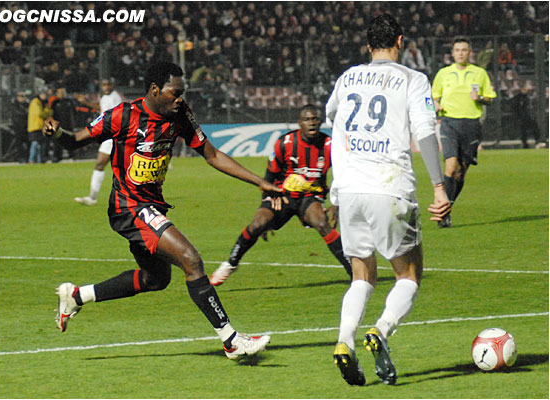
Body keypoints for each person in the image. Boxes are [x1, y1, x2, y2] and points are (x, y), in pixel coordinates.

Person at [42, 62, 284, 359]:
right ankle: (231, 341)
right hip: (129, 207)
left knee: (155, 279)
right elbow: (74, 141)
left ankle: (77, 296)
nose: (180, 98)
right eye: (175, 92)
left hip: (151, 206)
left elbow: (212, 154)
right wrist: (56, 134)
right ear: (155, 90)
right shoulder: (123, 115)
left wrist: (259, 181)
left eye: (182, 93)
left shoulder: (180, 114)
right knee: (191, 260)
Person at [325, 14, 450, 386]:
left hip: (349, 190)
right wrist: (439, 186)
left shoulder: (347, 77)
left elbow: (334, 118)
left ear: (368, 45)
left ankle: (344, 339)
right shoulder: (413, 79)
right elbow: (425, 133)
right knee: (409, 275)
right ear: (400, 41)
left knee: (361, 275)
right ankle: (380, 329)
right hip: (389, 185)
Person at [210, 104, 352, 286]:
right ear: (299, 122)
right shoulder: (285, 143)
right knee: (257, 225)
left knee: (321, 222)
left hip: (310, 196)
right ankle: (231, 263)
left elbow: (343, 174)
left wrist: (337, 203)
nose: (312, 123)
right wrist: (267, 204)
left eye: (315, 119)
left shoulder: (329, 146)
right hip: (282, 195)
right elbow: (269, 176)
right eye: (307, 119)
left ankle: (354, 274)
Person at [432, 37, 496, 227]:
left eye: (464, 50)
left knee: (461, 172)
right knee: (451, 167)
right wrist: (434, 104)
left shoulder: (479, 73)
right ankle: (443, 213)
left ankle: (447, 208)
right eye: (457, 50)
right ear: (452, 53)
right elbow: (431, 96)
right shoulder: (444, 74)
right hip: (449, 122)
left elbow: (491, 98)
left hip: (471, 124)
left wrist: (481, 97)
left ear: (470, 53)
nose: (460, 53)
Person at [74, 78, 123, 206]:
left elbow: (115, 116)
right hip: (109, 136)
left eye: (108, 84)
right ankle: (92, 197)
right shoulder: (105, 97)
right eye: (104, 84)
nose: (105, 86)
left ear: (113, 85)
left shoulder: (115, 98)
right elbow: (102, 110)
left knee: (111, 166)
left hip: (115, 136)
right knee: (101, 164)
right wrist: (86, 103)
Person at [512, 84, 546, 149]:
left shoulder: (526, 97)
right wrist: (518, 117)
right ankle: (525, 144)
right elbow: (516, 108)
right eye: (524, 89)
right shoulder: (518, 98)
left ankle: (537, 141)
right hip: (522, 118)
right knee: (524, 131)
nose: (525, 91)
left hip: (528, 117)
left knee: (534, 127)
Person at [27, 88, 52, 164]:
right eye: (43, 94)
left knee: (42, 143)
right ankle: (32, 159)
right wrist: (46, 112)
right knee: (35, 143)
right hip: (35, 126)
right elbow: (39, 113)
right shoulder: (35, 102)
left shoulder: (42, 103)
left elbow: (50, 112)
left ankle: (40, 160)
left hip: (41, 126)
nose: (45, 96)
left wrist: (46, 112)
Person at [12, 91, 29, 163]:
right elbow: (20, 114)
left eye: (23, 96)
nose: (22, 98)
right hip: (18, 128)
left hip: (27, 127)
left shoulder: (27, 105)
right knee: (19, 144)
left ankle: (27, 157)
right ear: (17, 97)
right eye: (21, 96)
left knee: (29, 143)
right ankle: (21, 157)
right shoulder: (14, 105)